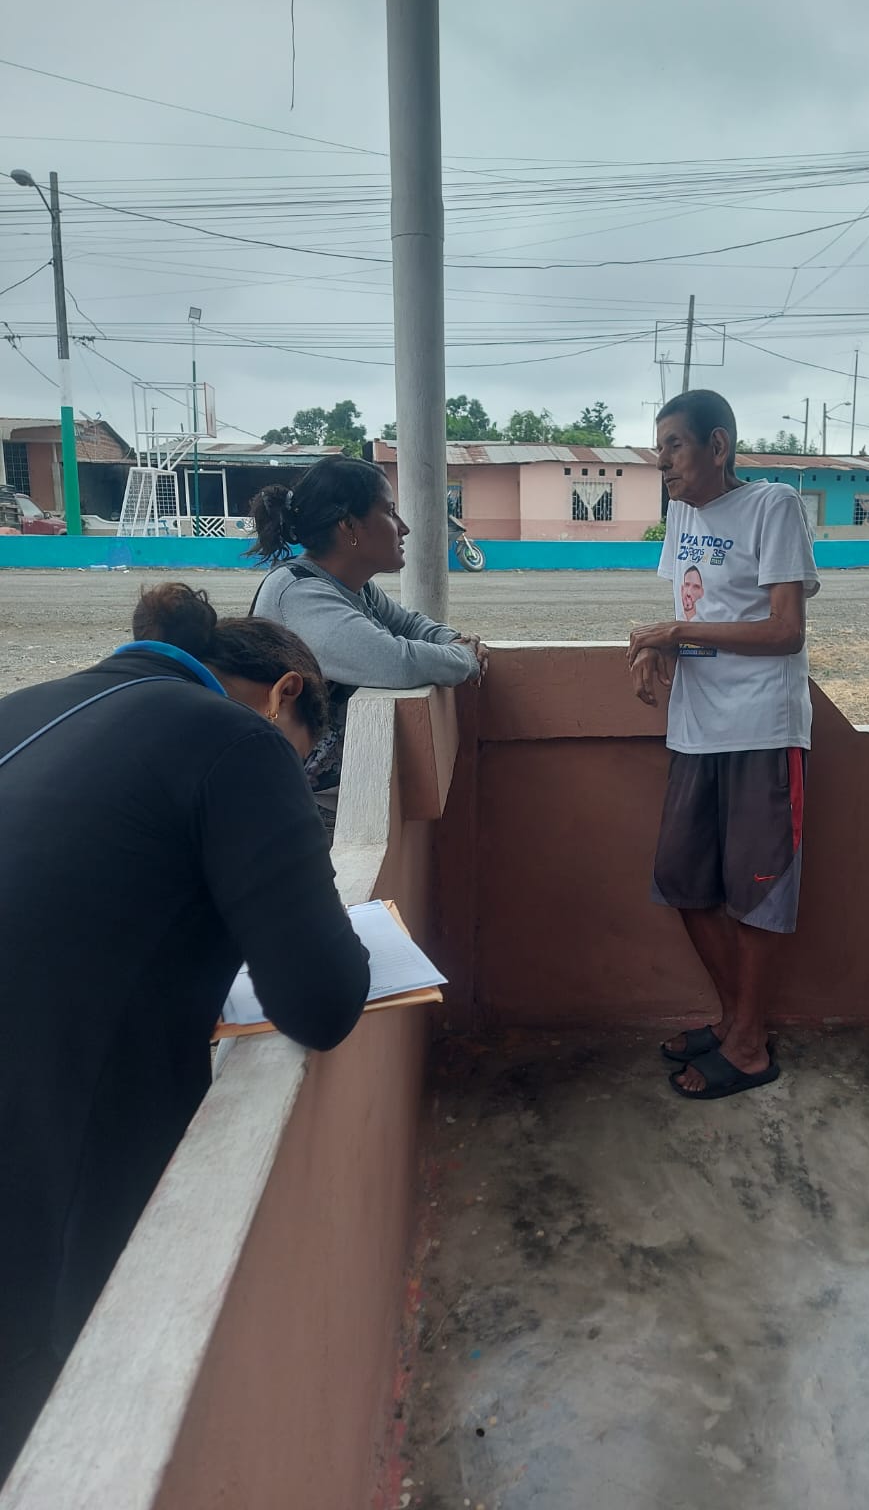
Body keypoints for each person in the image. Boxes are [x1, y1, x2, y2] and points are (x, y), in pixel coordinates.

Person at [0, 584, 371, 1483]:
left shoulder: (27, 708)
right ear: (285, 696)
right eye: (307, 759)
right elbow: (322, 999)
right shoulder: (238, 742)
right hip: (49, 1154)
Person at [628, 390, 820, 1102]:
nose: (663, 461)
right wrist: (661, 647)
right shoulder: (682, 514)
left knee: (756, 896)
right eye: (659, 448)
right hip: (695, 728)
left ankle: (747, 1045)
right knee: (684, 882)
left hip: (762, 728)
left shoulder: (774, 506)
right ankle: (738, 1020)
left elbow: (785, 631)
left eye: (674, 445)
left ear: (718, 445)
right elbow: (694, 608)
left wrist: (676, 633)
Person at [248, 457, 486, 824]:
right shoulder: (299, 594)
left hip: (328, 801)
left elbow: (411, 625)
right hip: (293, 812)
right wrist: (466, 659)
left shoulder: (353, 588)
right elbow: (395, 663)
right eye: (389, 512)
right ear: (348, 525)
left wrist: (455, 640)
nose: (403, 527)